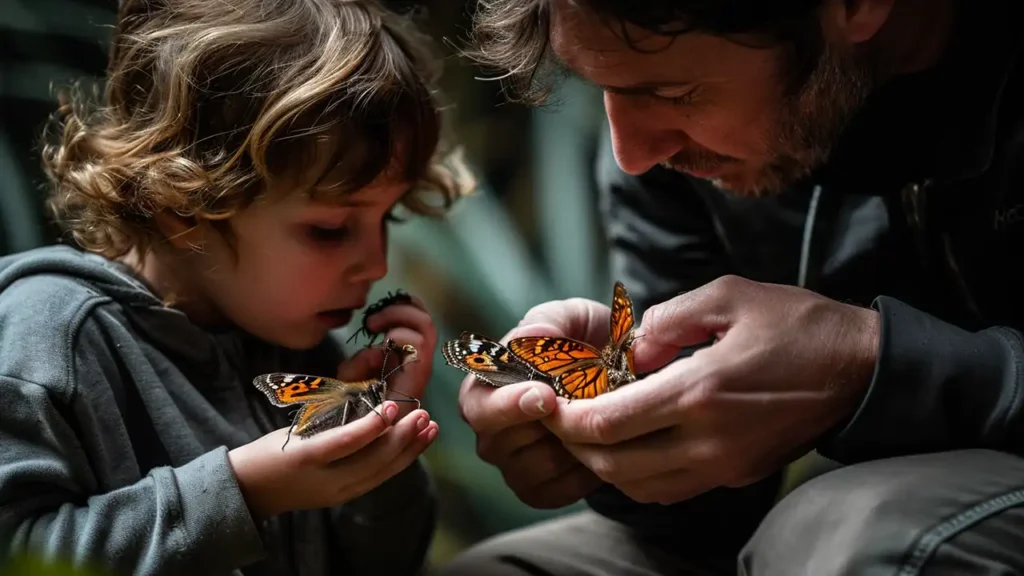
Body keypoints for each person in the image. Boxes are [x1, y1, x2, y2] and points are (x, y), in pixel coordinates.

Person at [442, 0, 1024, 574]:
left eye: (675, 95)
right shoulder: (684, 156)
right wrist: (625, 437)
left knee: (864, 535)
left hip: (873, 522)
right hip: (829, 519)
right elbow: (702, 525)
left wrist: (874, 365)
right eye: (601, 86)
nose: (633, 156)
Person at [0, 0, 473, 574]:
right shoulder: (49, 339)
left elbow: (384, 561)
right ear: (184, 203)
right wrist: (242, 492)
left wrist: (374, 453)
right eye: (329, 230)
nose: (376, 264)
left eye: (388, 218)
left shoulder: (299, 349)